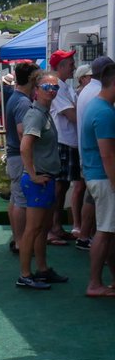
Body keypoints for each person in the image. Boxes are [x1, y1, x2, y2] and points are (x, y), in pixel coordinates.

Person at [18, 72, 70, 290]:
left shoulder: (45, 113)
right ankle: (25, 275)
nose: (52, 91)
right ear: (36, 90)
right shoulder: (37, 115)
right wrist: (32, 175)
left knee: (42, 227)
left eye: (55, 87)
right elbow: (25, 145)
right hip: (38, 180)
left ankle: (42, 270)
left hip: (46, 179)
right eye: (47, 87)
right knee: (33, 228)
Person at [80, 57, 115, 297]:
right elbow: (108, 155)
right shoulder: (104, 112)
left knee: (107, 231)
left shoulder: (98, 106)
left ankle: (104, 280)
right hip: (103, 178)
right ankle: (94, 283)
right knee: (104, 232)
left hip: (97, 176)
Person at [47, 49, 83, 245]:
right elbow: (73, 115)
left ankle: (56, 227)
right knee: (59, 187)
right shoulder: (58, 89)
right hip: (62, 142)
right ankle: (52, 228)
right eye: (70, 63)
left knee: (62, 186)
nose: (74, 66)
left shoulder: (66, 88)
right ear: (59, 66)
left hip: (69, 142)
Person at [5, 61, 39, 255]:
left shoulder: (16, 97)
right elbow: (22, 132)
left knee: (16, 198)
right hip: (19, 156)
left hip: (15, 155)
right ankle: (20, 242)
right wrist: (30, 161)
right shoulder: (23, 102)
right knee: (20, 201)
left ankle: (17, 238)